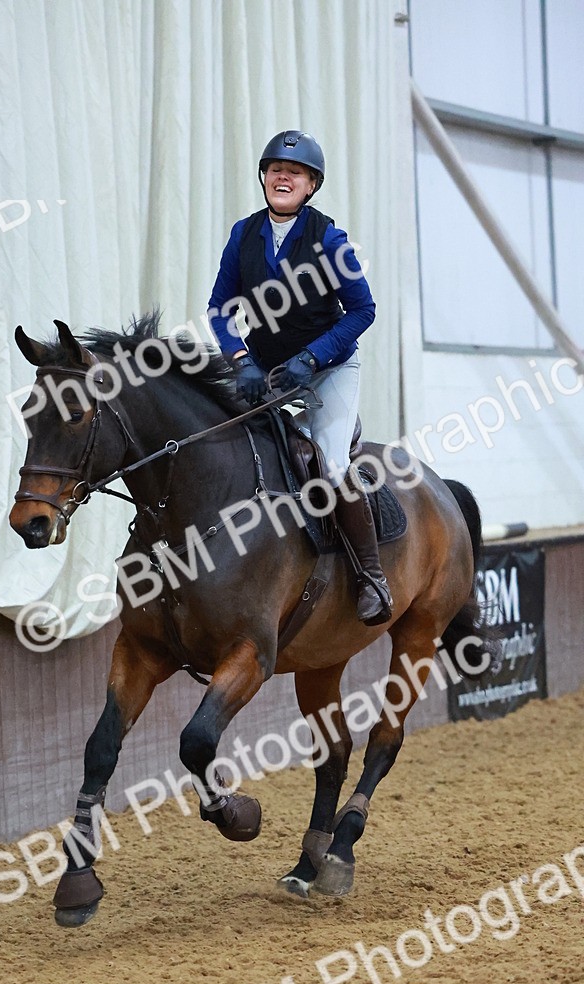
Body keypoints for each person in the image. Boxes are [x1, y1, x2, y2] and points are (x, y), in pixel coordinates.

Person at [207, 129, 392, 626]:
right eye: (274, 169)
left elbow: (363, 310)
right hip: (266, 368)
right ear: (264, 178)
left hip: (327, 367)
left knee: (330, 468)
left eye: (295, 173)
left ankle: (372, 576)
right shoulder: (243, 234)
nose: (282, 176)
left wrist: (312, 358)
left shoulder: (330, 239)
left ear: (311, 185)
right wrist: (240, 359)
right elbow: (220, 309)